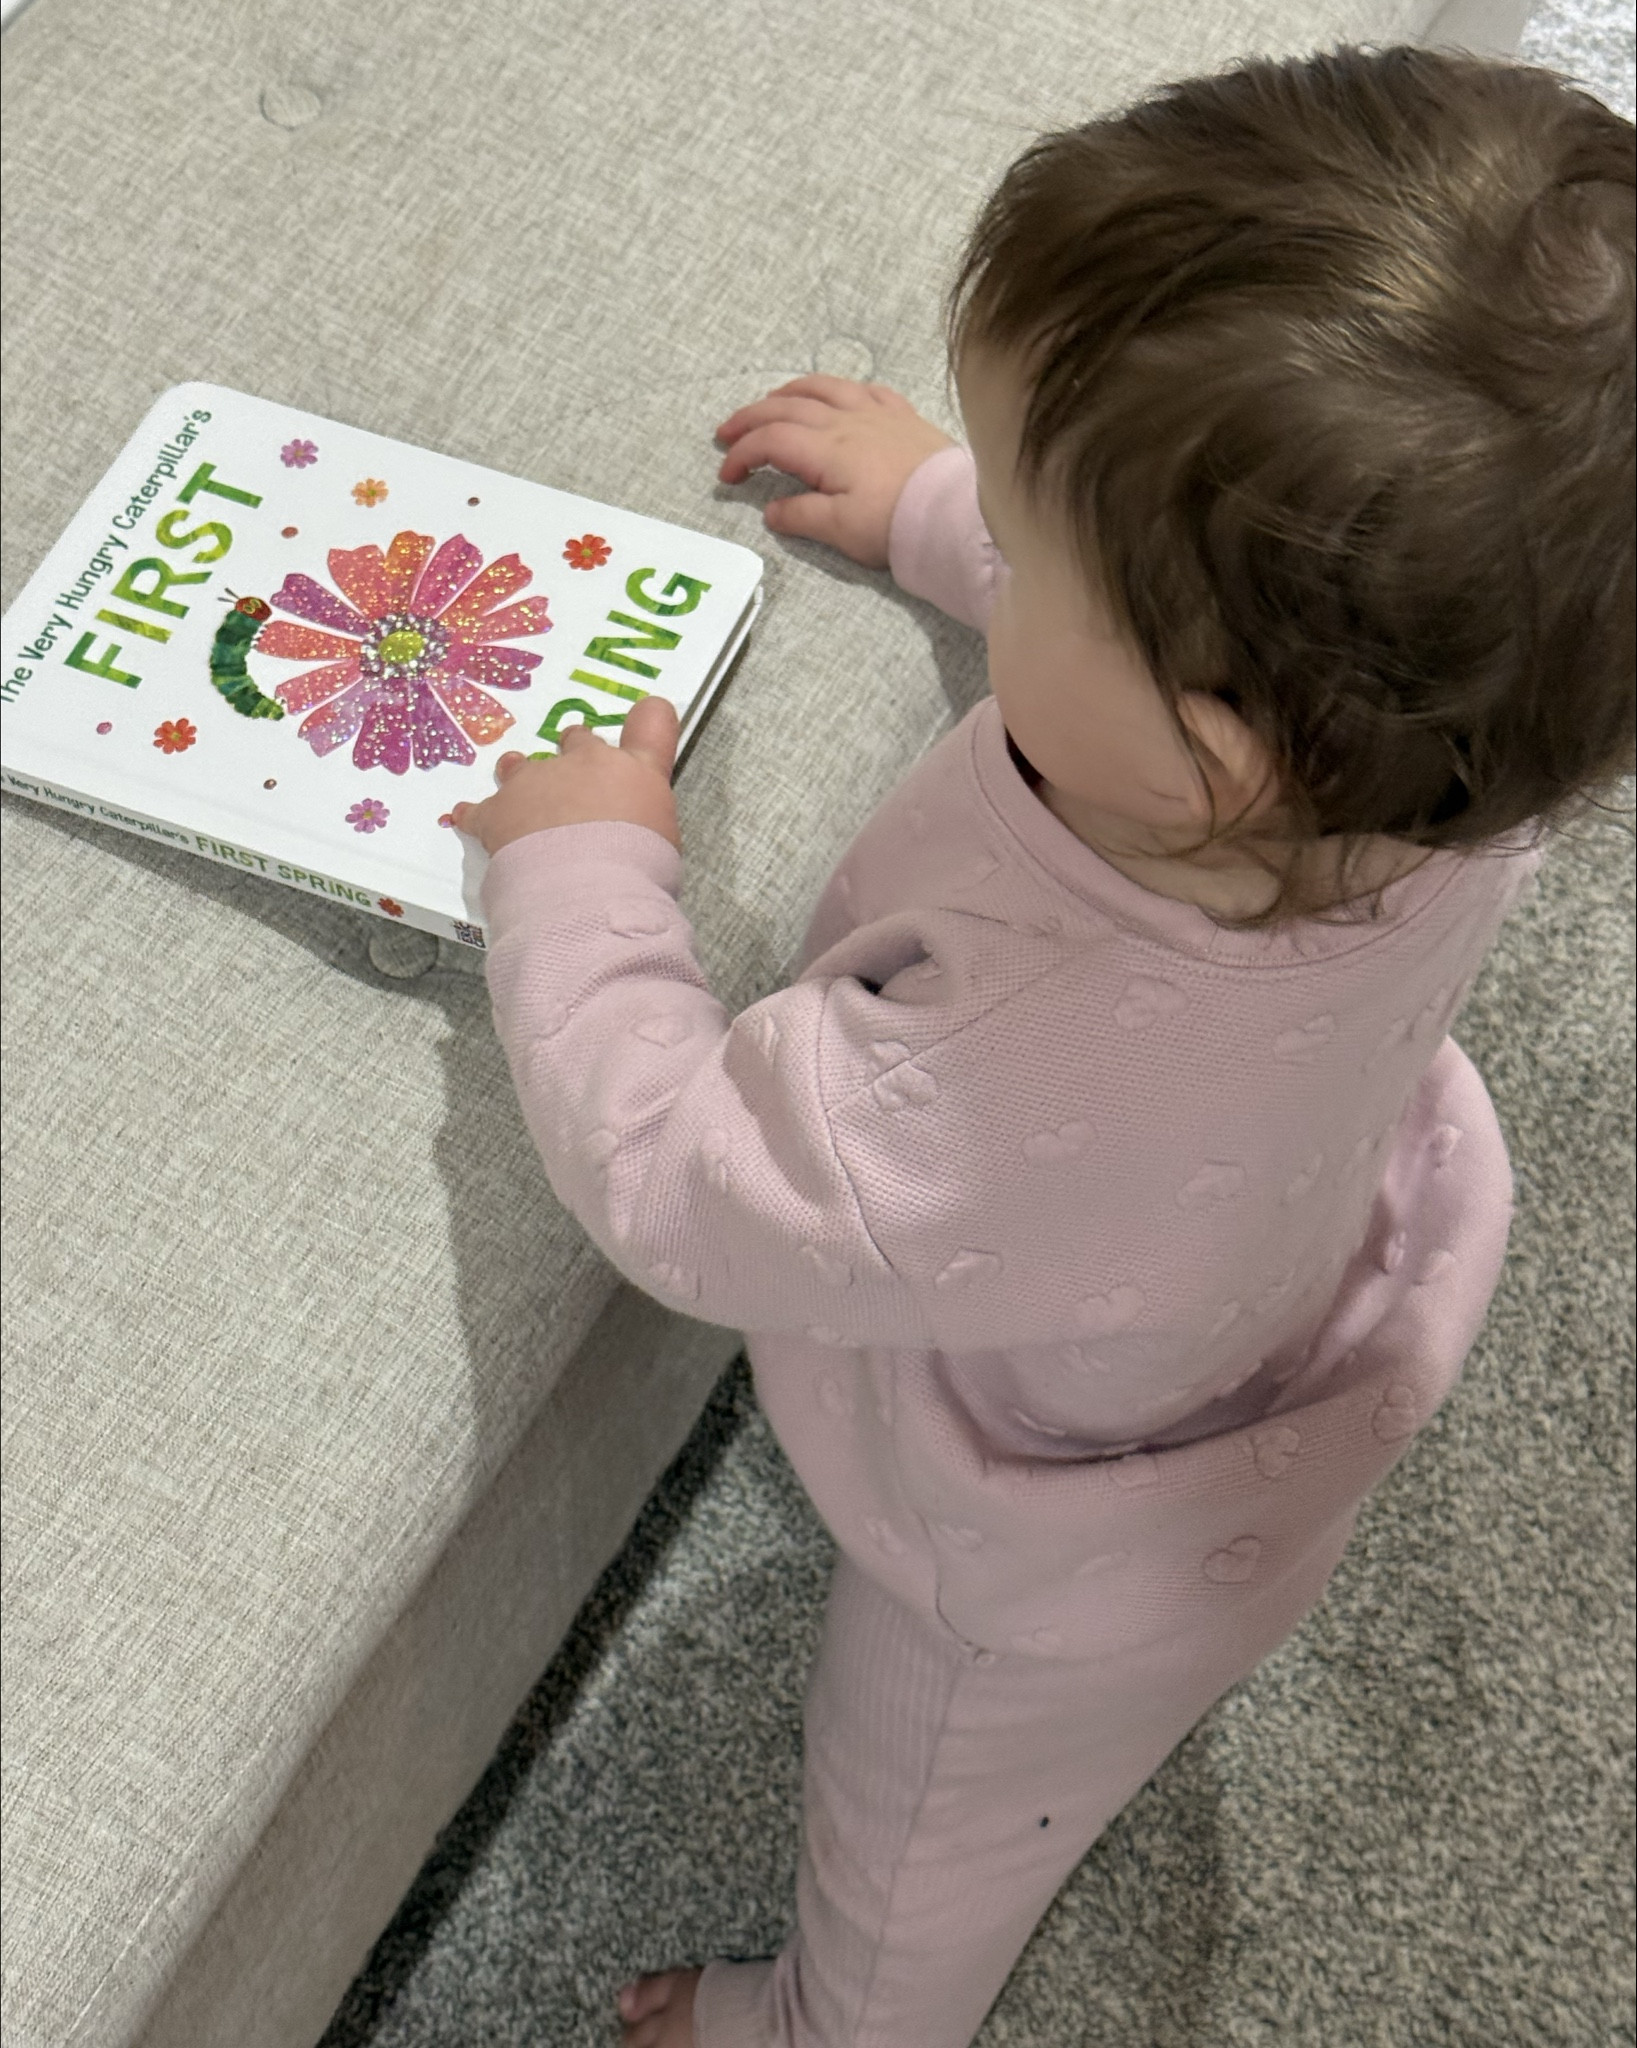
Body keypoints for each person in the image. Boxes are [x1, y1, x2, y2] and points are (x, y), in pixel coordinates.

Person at [450, 42, 1634, 2048]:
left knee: (918, 1842)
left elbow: (672, 1174)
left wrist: (580, 871)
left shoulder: (992, 1079)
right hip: (1275, 1236)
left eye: (1022, 533)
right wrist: (939, 504)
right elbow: (1194, 635)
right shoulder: (1450, 762)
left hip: (1049, 1566)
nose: (990, 534)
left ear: (1210, 747)